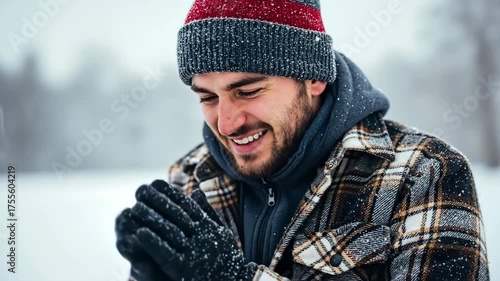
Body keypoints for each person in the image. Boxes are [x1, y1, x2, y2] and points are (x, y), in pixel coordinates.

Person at [115, 0, 490, 280]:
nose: (227, 123)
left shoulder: (422, 174)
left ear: (313, 78)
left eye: (248, 91)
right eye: (207, 98)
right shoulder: (189, 179)